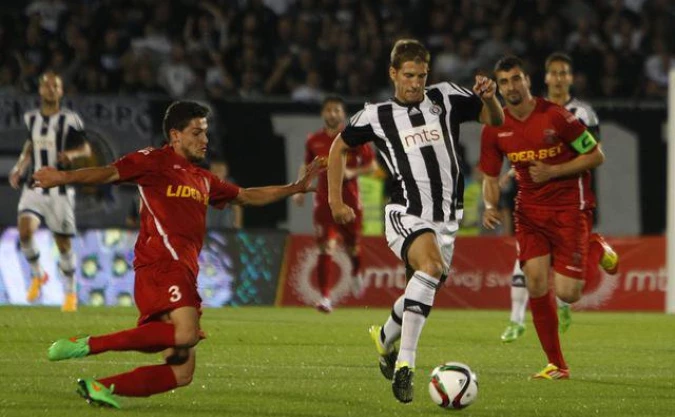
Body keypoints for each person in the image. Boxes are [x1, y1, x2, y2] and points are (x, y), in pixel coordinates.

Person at [35, 101, 323, 409]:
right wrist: (62, 178)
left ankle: (100, 386)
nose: (205, 140)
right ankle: (87, 345)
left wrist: (294, 188)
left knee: (182, 371)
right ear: (175, 135)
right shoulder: (153, 161)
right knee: (185, 334)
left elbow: (246, 196)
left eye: (206, 133)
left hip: (183, 270)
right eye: (197, 133)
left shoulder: (203, 178)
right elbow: (108, 173)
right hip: (161, 264)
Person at [328, 39, 504, 403]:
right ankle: (405, 365)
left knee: (423, 286)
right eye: (409, 75)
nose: (416, 83)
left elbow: (496, 119)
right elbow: (338, 147)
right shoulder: (376, 115)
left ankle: (384, 338)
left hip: (447, 220)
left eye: (422, 76)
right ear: (393, 73)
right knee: (430, 267)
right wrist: (335, 200)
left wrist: (489, 98)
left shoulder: (446, 97)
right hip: (406, 212)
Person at [480, 55, 607, 379]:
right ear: (499, 87)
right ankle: (557, 365)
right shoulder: (495, 128)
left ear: (527, 80)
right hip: (530, 214)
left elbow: (596, 155)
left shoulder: (556, 116)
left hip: (569, 209)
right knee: (535, 282)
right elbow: (490, 177)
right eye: (504, 82)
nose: (511, 86)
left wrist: (553, 171)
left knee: (568, 293)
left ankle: (595, 246)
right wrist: (491, 206)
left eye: (516, 79)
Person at [499, 52, 619, 343]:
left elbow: (592, 153)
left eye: (564, 73)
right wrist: (514, 171)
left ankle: (573, 287)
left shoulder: (582, 113)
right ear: (545, 77)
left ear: (571, 78)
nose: (558, 78)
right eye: (553, 72)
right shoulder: (535, 108)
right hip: (536, 199)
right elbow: (528, 148)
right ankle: (516, 320)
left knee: (568, 287)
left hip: (572, 200)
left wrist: (553, 170)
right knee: (528, 262)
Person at [8, 71, 91, 312]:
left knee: (63, 244)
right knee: (24, 233)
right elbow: (30, 145)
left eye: (55, 86)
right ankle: (38, 275)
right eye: (47, 85)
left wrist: (71, 155)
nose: (51, 89)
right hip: (34, 185)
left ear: (61, 91)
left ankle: (70, 291)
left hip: (60, 189)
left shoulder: (70, 119)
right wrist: (19, 167)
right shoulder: (32, 118)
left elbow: (85, 148)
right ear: (40, 90)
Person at [292, 96, 376, 313]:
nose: (332, 114)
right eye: (328, 110)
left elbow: (371, 166)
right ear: (323, 113)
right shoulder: (314, 140)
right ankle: (325, 297)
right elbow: (307, 166)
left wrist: (352, 172)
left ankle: (356, 271)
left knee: (352, 247)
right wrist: (299, 188)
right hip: (324, 202)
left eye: (336, 110)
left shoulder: (353, 138)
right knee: (326, 247)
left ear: (343, 113)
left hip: (350, 202)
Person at [206, 160, 243, 229]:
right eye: (214, 171)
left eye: (220, 171)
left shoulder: (230, 186)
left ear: (225, 172)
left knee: (228, 210)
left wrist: (237, 225)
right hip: (209, 220)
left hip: (224, 220)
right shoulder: (204, 183)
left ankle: (226, 232)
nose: (217, 173)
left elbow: (237, 207)